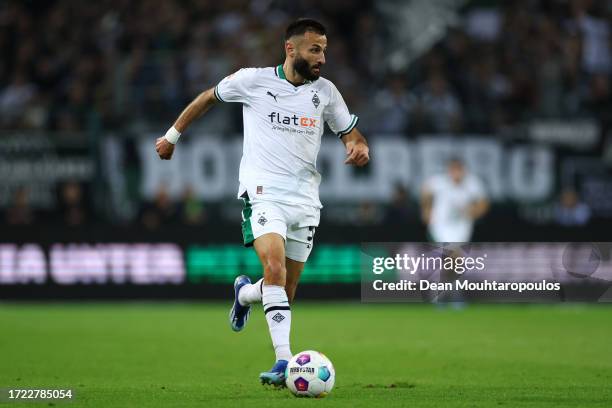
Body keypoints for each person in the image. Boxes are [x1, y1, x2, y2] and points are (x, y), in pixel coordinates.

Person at [155, 19, 369, 386]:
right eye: (314, 49)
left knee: (283, 290)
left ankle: (244, 293)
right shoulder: (253, 81)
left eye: (324, 50)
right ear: (291, 49)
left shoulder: (326, 92)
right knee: (274, 267)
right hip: (263, 191)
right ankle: (284, 362)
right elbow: (208, 97)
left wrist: (358, 145)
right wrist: (172, 136)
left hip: (305, 199)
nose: (322, 58)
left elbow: (349, 131)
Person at [420, 158, 488, 243]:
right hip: (438, 227)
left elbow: (483, 203)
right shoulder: (438, 181)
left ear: (464, 170)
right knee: (440, 250)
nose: (456, 172)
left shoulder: (472, 182)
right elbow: (425, 191)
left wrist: (474, 212)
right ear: (448, 170)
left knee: (458, 251)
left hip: (462, 228)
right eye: (453, 169)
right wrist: (426, 209)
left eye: (458, 168)